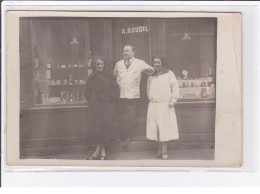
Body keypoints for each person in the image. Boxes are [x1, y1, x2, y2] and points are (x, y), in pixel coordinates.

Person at [113, 45, 154, 145]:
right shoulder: (118, 64)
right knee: (121, 117)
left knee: (130, 117)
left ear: (133, 52)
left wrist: (151, 72)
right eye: (123, 51)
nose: (125, 53)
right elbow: (114, 77)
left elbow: (151, 70)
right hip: (121, 95)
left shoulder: (139, 63)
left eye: (127, 51)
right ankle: (121, 138)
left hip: (133, 96)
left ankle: (128, 137)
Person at [85, 56, 119, 160]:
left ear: (104, 65)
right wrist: (93, 99)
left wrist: (107, 98)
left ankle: (99, 152)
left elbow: (116, 91)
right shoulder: (91, 77)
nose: (100, 66)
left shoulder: (109, 77)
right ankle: (99, 151)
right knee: (97, 128)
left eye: (102, 64)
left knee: (105, 128)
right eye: (98, 64)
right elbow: (87, 92)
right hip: (96, 107)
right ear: (95, 66)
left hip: (107, 106)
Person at [146, 56, 179, 160]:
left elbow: (175, 88)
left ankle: (164, 151)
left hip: (165, 105)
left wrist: (172, 101)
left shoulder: (169, 74)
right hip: (154, 105)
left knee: (164, 128)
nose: (156, 64)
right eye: (155, 62)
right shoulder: (151, 76)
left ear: (163, 63)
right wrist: (151, 98)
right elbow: (148, 89)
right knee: (157, 129)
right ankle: (159, 150)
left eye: (158, 62)